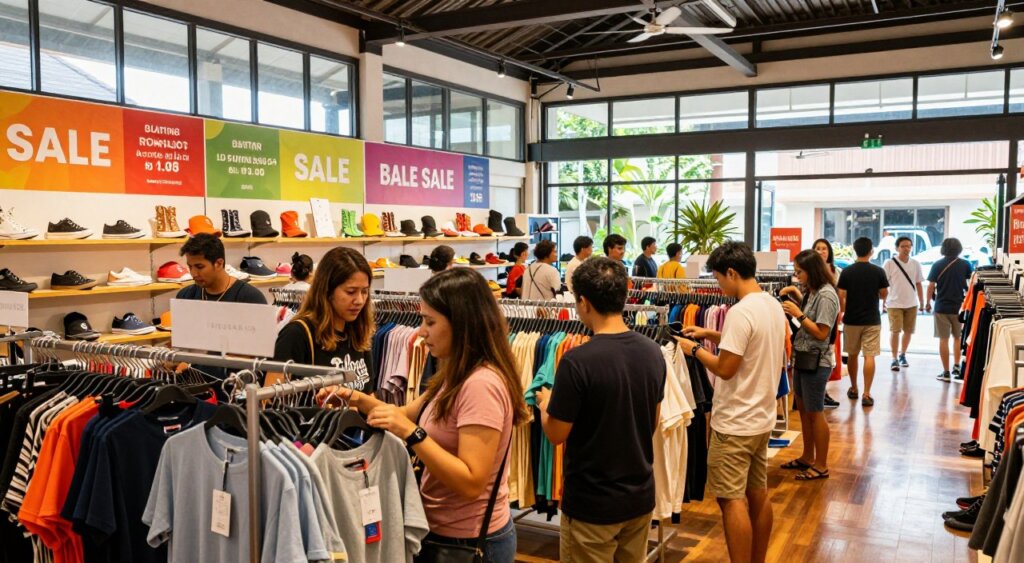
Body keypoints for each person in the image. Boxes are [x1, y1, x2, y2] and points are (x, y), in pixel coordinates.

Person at [317, 268, 530, 562]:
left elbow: (471, 481)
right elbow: (405, 413)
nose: (420, 331)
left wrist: (411, 434)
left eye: (430, 321)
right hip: (444, 531)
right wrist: (355, 399)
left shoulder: (481, 385)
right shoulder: (455, 373)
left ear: (462, 324)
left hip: (469, 541)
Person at [534, 257, 665, 563]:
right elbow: (653, 422)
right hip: (639, 497)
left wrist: (544, 404)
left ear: (583, 302)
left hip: (592, 504)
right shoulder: (652, 352)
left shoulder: (577, 361)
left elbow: (556, 433)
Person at [674, 241, 785, 563]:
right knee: (757, 494)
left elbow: (725, 368)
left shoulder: (739, 311)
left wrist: (693, 349)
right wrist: (709, 333)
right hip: (760, 418)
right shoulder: (770, 304)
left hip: (735, 421)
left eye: (719, 277)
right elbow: (749, 344)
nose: (718, 285)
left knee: (730, 499)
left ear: (732, 272)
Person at [273, 246, 376, 393]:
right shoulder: (296, 335)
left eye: (365, 291)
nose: (359, 300)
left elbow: (369, 393)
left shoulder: (359, 332)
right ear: (327, 291)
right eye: (351, 292)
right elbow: (270, 400)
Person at [779, 250, 840, 482]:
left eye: (799, 272)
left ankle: (821, 465)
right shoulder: (813, 292)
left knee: (816, 413)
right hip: (803, 358)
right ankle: (807, 456)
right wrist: (796, 295)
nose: (797, 276)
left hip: (817, 361)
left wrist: (799, 314)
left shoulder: (826, 295)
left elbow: (822, 332)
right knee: (804, 412)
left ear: (811, 271)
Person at [837, 237, 889, 408]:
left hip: (851, 319)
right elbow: (883, 294)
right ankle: (867, 393)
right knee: (869, 355)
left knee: (852, 354)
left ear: (854, 250)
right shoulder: (878, 271)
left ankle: (853, 388)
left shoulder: (847, 272)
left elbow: (841, 296)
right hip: (872, 319)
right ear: (871, 251)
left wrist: (845, 309)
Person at [926, 237, 973, 382]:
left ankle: (946, 372)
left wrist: (927, 302)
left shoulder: (937, 265)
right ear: (959, 248)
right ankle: (957, 366)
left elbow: (931, 286)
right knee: (958, 338)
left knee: (943, 340)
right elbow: (971, 284)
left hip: (941, 307)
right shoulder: (966, 264)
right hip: (960, 307)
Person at [175, 233, 266, 304]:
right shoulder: (185, 296)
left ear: (219, 263)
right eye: (190, 266)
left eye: (199, 267)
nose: (194, 273)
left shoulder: (251, 298)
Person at [883, 236, 925, 372]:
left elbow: (918, 283)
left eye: (909, 246)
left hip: (911, 303)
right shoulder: (889, 263)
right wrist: (883, 301)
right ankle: (894, 358)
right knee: (895, 331)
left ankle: (902, 355)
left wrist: (923, 302)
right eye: (903, 246)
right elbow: (883, 284)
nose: (906, 249)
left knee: (908, 331)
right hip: (894, 303)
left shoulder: (915, 264)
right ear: (897, 248)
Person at [812, 238, 841, 409]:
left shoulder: (836, 271)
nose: (821, 251)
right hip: (815, 317)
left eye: (824, 248)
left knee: (829, 354)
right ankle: (821, 393)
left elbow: (842, 296)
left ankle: (824, 391)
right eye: (818, 248)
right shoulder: (809, 271)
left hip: (831, 317)